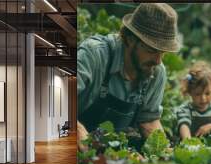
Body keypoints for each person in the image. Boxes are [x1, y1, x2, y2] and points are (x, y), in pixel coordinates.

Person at [77, 3, 180, 151]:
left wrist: (167, 156)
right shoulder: (94, 55)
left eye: (163, 52)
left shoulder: (156, 71)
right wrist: (85, 142)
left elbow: (149, 121)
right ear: (130, 39)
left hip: (111, 153)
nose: (158, 61)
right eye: (152, 50)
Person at [176, 61, 211, 140]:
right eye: (198, 94)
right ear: (190, 92)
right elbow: (184, 127)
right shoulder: (184, 110)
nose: (203, 98)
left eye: (207, 93)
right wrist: (189, 145)